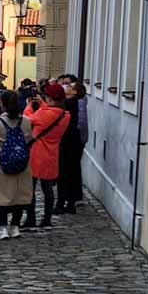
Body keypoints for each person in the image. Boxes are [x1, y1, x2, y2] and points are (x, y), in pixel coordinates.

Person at [0, 89, 33, 238]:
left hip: (0, 164)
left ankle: (2, 228)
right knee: (19, 197)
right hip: (21, 164)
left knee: (1, 197)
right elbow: (29, 138)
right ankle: (15, 227)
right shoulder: (26, 122)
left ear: (2, 104)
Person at [24, 82, 70, 231]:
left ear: (50, 97)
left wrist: (29, 105)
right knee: (48, 189)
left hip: (37, 153)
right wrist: (44, 104)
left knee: (30, 189)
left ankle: (31, 218)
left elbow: (27, 119)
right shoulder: (65, 115)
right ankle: (47, 219)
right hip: (52, 154)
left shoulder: (44, 113)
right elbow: (49, 115)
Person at [56, 79, 87, 214]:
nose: (67, 87)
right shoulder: (76, 102)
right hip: (75, 141)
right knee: (72, 172)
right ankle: (70, 203)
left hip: (68, 141)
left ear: (75, 92)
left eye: (70, 86)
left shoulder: (69, 103)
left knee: (64, 173)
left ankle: (61, 203)